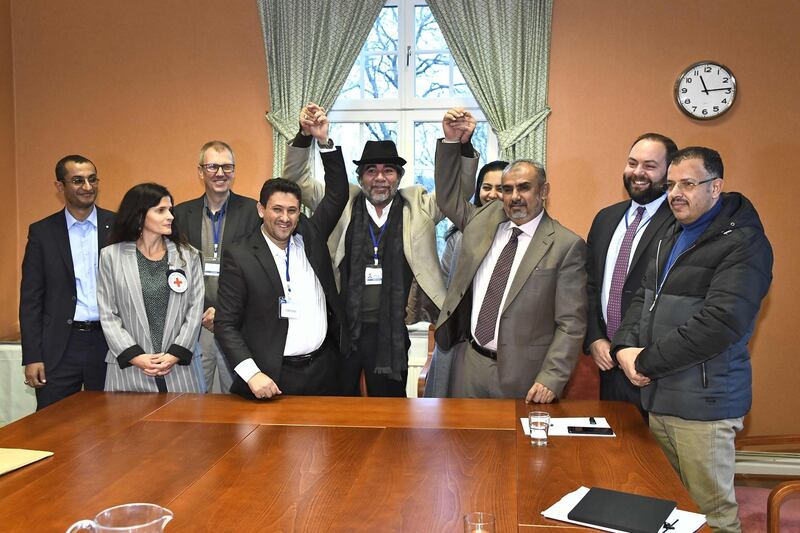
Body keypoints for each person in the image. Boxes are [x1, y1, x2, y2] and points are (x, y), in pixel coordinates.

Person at [612, 147, 773, 532]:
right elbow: (641, 299)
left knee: (712, 516)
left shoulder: (745, 243)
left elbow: (720, 323)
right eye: (670, 184)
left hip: (706, 405)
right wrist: (623, 348)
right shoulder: (672, 232)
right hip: (661, 397)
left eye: (688, 183)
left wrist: (645, 361)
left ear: (715, 187)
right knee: (669, 510)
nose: (675, 193)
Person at [283, 103, 478, 397]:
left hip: (392, 334)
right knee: (340, 412)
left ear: (398, 176)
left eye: (388, 171)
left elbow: (458, 192)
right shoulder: (342, 200)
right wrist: (306, 137)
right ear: (361, 176)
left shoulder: (419, 204)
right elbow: (295, 183)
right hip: (342, 330)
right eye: (371, 171)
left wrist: (458, 145)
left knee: (390, 415)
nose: (380, 178)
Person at [434, 110, 587, 401]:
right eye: (507, 189)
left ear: (544, 191)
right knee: (466, 446)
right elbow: (448, 197)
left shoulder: (566, 245)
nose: (514, 196)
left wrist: (552, 378)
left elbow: (571, 323)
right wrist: (453, 144)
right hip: (470, 366)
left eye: (524, 188)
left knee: (517, 448)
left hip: (524, 377)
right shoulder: (482, 222)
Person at [214, 124, 349, 400]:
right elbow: (225, 324)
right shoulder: (239, 255)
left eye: (292, 211)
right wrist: (252, 375)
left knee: (324, 445)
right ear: (261, 210)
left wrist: (323, 141)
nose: (284, 218)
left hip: (323, 372)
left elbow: (338, 194)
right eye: (276, 209)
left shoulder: (311, 236)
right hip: (270, 377)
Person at [584, 133, 677, 413]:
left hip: (654, 369)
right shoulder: (605, 218)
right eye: (632, 163)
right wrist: (594, 338)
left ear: (668, 172)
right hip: (608, 366)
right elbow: (589, 286)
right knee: (613, 452)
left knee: (655, 454)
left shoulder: (679, 223)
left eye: (649, 165)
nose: (638, 172)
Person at [20, 155, 115, 410]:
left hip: (108, 343)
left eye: (92, 179)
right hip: (60, 346)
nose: (87, 187)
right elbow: (31, 299)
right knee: (52, 425)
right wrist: (32, 356)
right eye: (78, 180)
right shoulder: (42, 232)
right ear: (60, 187)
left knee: (111, 424)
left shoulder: (118, 227)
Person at [97, 183, 205, 393]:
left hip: (180, 370)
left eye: (170, 210)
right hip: (130, 370)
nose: (171, 216)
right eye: (160, 210)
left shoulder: (188, 256)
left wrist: (174, 354)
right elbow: (108, 314)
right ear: (139, 215)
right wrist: (136, 356)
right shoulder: (111, 256)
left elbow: (194, 310)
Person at [173, 141, 261, 393]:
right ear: (200, 171)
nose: (220, 173)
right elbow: (175, 272)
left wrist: (222, 312)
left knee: (235, 401)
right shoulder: (180, 214)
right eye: (213, 166)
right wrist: (201, 312)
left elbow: (257, 272)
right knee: (193, 399)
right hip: (195, 325)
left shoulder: (253, 212)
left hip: (237, 324)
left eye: (227, 167)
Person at [424, 159, 507, 398]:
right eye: (486, 187)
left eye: (501, 188)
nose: (492, 194)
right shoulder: (459, 236)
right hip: (460, 340)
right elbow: (446, 287)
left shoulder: (522, 237)